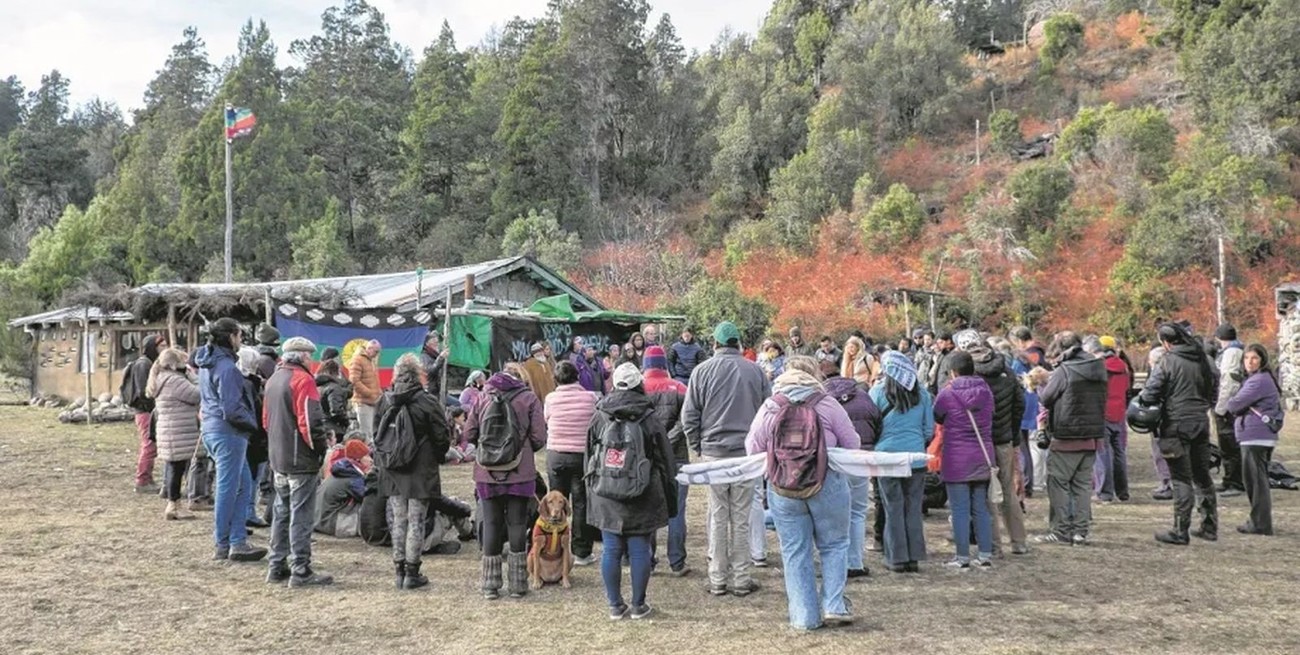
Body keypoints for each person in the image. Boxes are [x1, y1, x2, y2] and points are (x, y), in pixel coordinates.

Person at [746, 356, 858, 630]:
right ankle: (833, 605)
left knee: (795, 551)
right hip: (826, 482)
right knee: (833, 545)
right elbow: (853, 443)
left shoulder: (772, 406)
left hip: (783, 486)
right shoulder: (827, 403)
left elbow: (752, 447)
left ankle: (804, 617)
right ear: (815, 376)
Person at [681, 321, 771, 597]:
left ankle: (717, 578)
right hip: (746, 454)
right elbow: (768, 413)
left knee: (718, 514)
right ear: (739, 343)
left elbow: (689, 416)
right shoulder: (755, 371)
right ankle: (742, 579)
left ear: (715, 344)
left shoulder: (701, 371)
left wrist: (698, 446)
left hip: (714, 452)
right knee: (741, 516)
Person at [586, 363, 678, 620]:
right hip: (644, 491)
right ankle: (639, 605)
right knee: (640, 548)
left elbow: (588, 457)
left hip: (606, 491)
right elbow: (666, 461)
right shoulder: (649, 417)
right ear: (640, 383)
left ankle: (615, 605)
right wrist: (670, 498)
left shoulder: (600, 414)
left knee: (611, 549)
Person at [466, 363, 547, 599]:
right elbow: (539, 438)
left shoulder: (482, 397)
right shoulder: (528, 398)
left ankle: (490, 585)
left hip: (486, 471)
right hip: (520, 469)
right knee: (517, 524)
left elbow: (469, 433)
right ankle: (518, 584)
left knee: (491, 523)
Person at [375, 352, 452, 590]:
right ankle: (412, 571)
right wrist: (438, 457)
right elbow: (442, 436)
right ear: (420, 374)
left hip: (392, 466)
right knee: (417, 520)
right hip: (421, 466)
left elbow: (376, 434)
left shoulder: (385, 399)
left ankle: (399, 570)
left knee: (398, 519)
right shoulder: (427, 401)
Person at [263, 337, 332, 587]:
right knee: (301, 514)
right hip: (300, 458)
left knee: (281, 511)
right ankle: (300, 568)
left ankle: (276, 564)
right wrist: (321, 450)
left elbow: (265, 420)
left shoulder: (273, 379)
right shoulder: (303, 381)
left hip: (278, 456)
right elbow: (310, 424)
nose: (311, 361)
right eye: (309, 356)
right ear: (303, 356)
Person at [195, 318, 266, 562]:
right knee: (228, 488)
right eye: (238, 335)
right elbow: (232, 408)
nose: (241, 341)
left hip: (214, 430)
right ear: (231, 337)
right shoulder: (227, 369)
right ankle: (223, 543)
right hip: (228, 433)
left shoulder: (208, 364)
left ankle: (238, 542)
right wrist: (252, 425)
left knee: (243, 485)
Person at [1142, 322, 1220, 545]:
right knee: (1202, 475)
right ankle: (1209, 526)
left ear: (1166, 342)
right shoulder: (1205, 359)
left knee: (1181, 478)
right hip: (1200, 422)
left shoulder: (1168, 361)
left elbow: (1149, 393)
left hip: (1176, 424)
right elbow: (1214, 390)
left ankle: (1180, 530)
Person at [1035, 332, 1108, 546]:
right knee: (1083, 486)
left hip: (1066, 436)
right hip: (1092, 435)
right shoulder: (1099, 367)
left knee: (1058, 484)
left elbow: (1046, 398)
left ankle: (1061, 530)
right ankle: (1080, 532)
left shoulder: (1064, 371)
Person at [871, 351, 934, 573]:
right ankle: (914, 557)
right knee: (913, 508)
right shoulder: (923, 395)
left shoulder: (877, 392)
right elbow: (929, 430)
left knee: (892, 507)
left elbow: (872, 426)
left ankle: (896, 558)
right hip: (916, 458)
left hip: (887, 457)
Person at [932, 351, 996, 568]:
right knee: (980, 507)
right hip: (982, 454)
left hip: (956, 457)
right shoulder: (986, 391)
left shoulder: (947, 393)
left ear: (952, 371)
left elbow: (938, 415)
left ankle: (962, 557)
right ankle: (985, 554)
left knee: (959, 509)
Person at [969, 340, 1027, 555]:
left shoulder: (971, 377)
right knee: (1008, 491)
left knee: (986, 494)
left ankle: (994, 545)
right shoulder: (1008, 372)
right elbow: (1019, 405)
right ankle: (1019, 541)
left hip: (981, 441)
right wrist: (1013, 436)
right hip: (1004, 440)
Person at [824, 361, 881, 577]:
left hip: (837, 461)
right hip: (861, 458)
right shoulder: (863, 396)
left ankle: (836, 562)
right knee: (858, 513)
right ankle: (855, 562)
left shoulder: (825, 401)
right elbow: (877, 420)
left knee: (834, 515)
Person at [543, 360, 600, 566]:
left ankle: (554, 548)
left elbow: (547, 420)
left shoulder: (550, 399)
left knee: (555, 503)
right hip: (581, 455)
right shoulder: (590, 398)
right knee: (581, 503)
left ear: (556, 379)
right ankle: (582, 552)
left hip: (556, 454)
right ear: (577, 376)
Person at [642, 345, 692, 576]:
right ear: (665, 364)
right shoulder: (680, 388)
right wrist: (669, 440)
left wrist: (656, 442)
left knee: (649, 509)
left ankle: (648, 560)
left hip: (648, 457)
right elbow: (687, 420)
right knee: (677, 510)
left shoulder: (639, 389)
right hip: (678, 457)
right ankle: (677, 561)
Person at [1226, 344, 1283, 536]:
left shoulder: (1257, 381)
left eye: (1254, 358)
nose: (1249, 362)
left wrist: (1233, 399)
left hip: (1255, 436)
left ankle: (1260, 523)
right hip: (1261, 435)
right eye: (1246, 358)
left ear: (1262, 360)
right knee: (1257, 481)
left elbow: (1234, 405)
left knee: (1255, 483)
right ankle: (1259, 521)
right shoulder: (1265, 379)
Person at [146, 347, 200, 521]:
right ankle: (174, 505)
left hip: (170, 429)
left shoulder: (162, 378)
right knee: (176, 468)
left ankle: (174, 504)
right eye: (183, 363)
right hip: (178, 430)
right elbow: (198, 394)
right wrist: (192, 375)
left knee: (174, 467)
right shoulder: (174, 380)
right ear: (175, 364)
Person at [1089, 336, 1133, 503]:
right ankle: (1123, 491)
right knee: (1119, 452)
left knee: (1102, 453)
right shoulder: (1123, 367)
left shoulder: (1100, 367)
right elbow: (1127, 388)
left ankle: (1104, 492)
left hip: (1103, 413)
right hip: (1119, 412)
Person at [123, 334, 165, 493]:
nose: (164, 349)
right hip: (145, 411)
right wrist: (154, 405)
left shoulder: (150, 363)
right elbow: (144, 391)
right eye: (161, 346)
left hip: (148, 411)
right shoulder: (144, 364)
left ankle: (147, 478)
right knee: (149, 445)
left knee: (151, 445)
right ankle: (142, 480)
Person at [236, 346, 271, 529]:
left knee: (251, 477)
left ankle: (248, 512)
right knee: (249, 477)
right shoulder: (247, 385)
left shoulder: (251, 383)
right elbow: (253, 410)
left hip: (254, 436)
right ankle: (247, 513)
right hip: (253, 437)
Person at [1213, 324, 1246, 497]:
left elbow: (1229, 381)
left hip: (1228, 407)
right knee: (1228, 445)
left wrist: (1221, 407)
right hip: (1233, 404)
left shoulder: (1231, 353)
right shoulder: (1236, 350)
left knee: (1229, 444)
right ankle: (1230, 479)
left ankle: (1235, 481)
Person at [315, 439, 371, 538]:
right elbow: (368, 498)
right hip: (332, 523)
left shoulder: (342, 471)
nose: (371, 460)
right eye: (366, 456)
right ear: (358, 459)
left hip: (318, 521)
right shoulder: (352, 478)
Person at [1146, 347, 1174, 500]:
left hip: (1160, 417)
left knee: (1160, 451)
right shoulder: (1178, 372)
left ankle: (1166, 483)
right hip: (1178, 416)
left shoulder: (1158, 375)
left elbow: (1149, 395)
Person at [349, 340, 382, 440]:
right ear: (369, 349)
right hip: (362, 402)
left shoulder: (371, 361)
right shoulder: (357, 360)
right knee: (366, 435)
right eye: (376, 352)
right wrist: (370, 393)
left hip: (372, 402)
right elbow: (354, 381)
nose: (377, 354)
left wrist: (379, 394)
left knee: (371, 433)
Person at [315, 359, 353, 439]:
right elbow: (336, 411)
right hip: (335, 429)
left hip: (319, 427)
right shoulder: (334, 387)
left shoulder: (316, 387)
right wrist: (347, 422)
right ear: (336, 372)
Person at [419, 332, 448, 398]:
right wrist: (441, 358)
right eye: (434, 343)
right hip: (431, 392)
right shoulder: (424, 356)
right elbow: (430, 371)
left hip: (439, 391)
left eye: (437, 342)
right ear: (427, 344)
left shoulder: (434, 356)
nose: (437, 344)